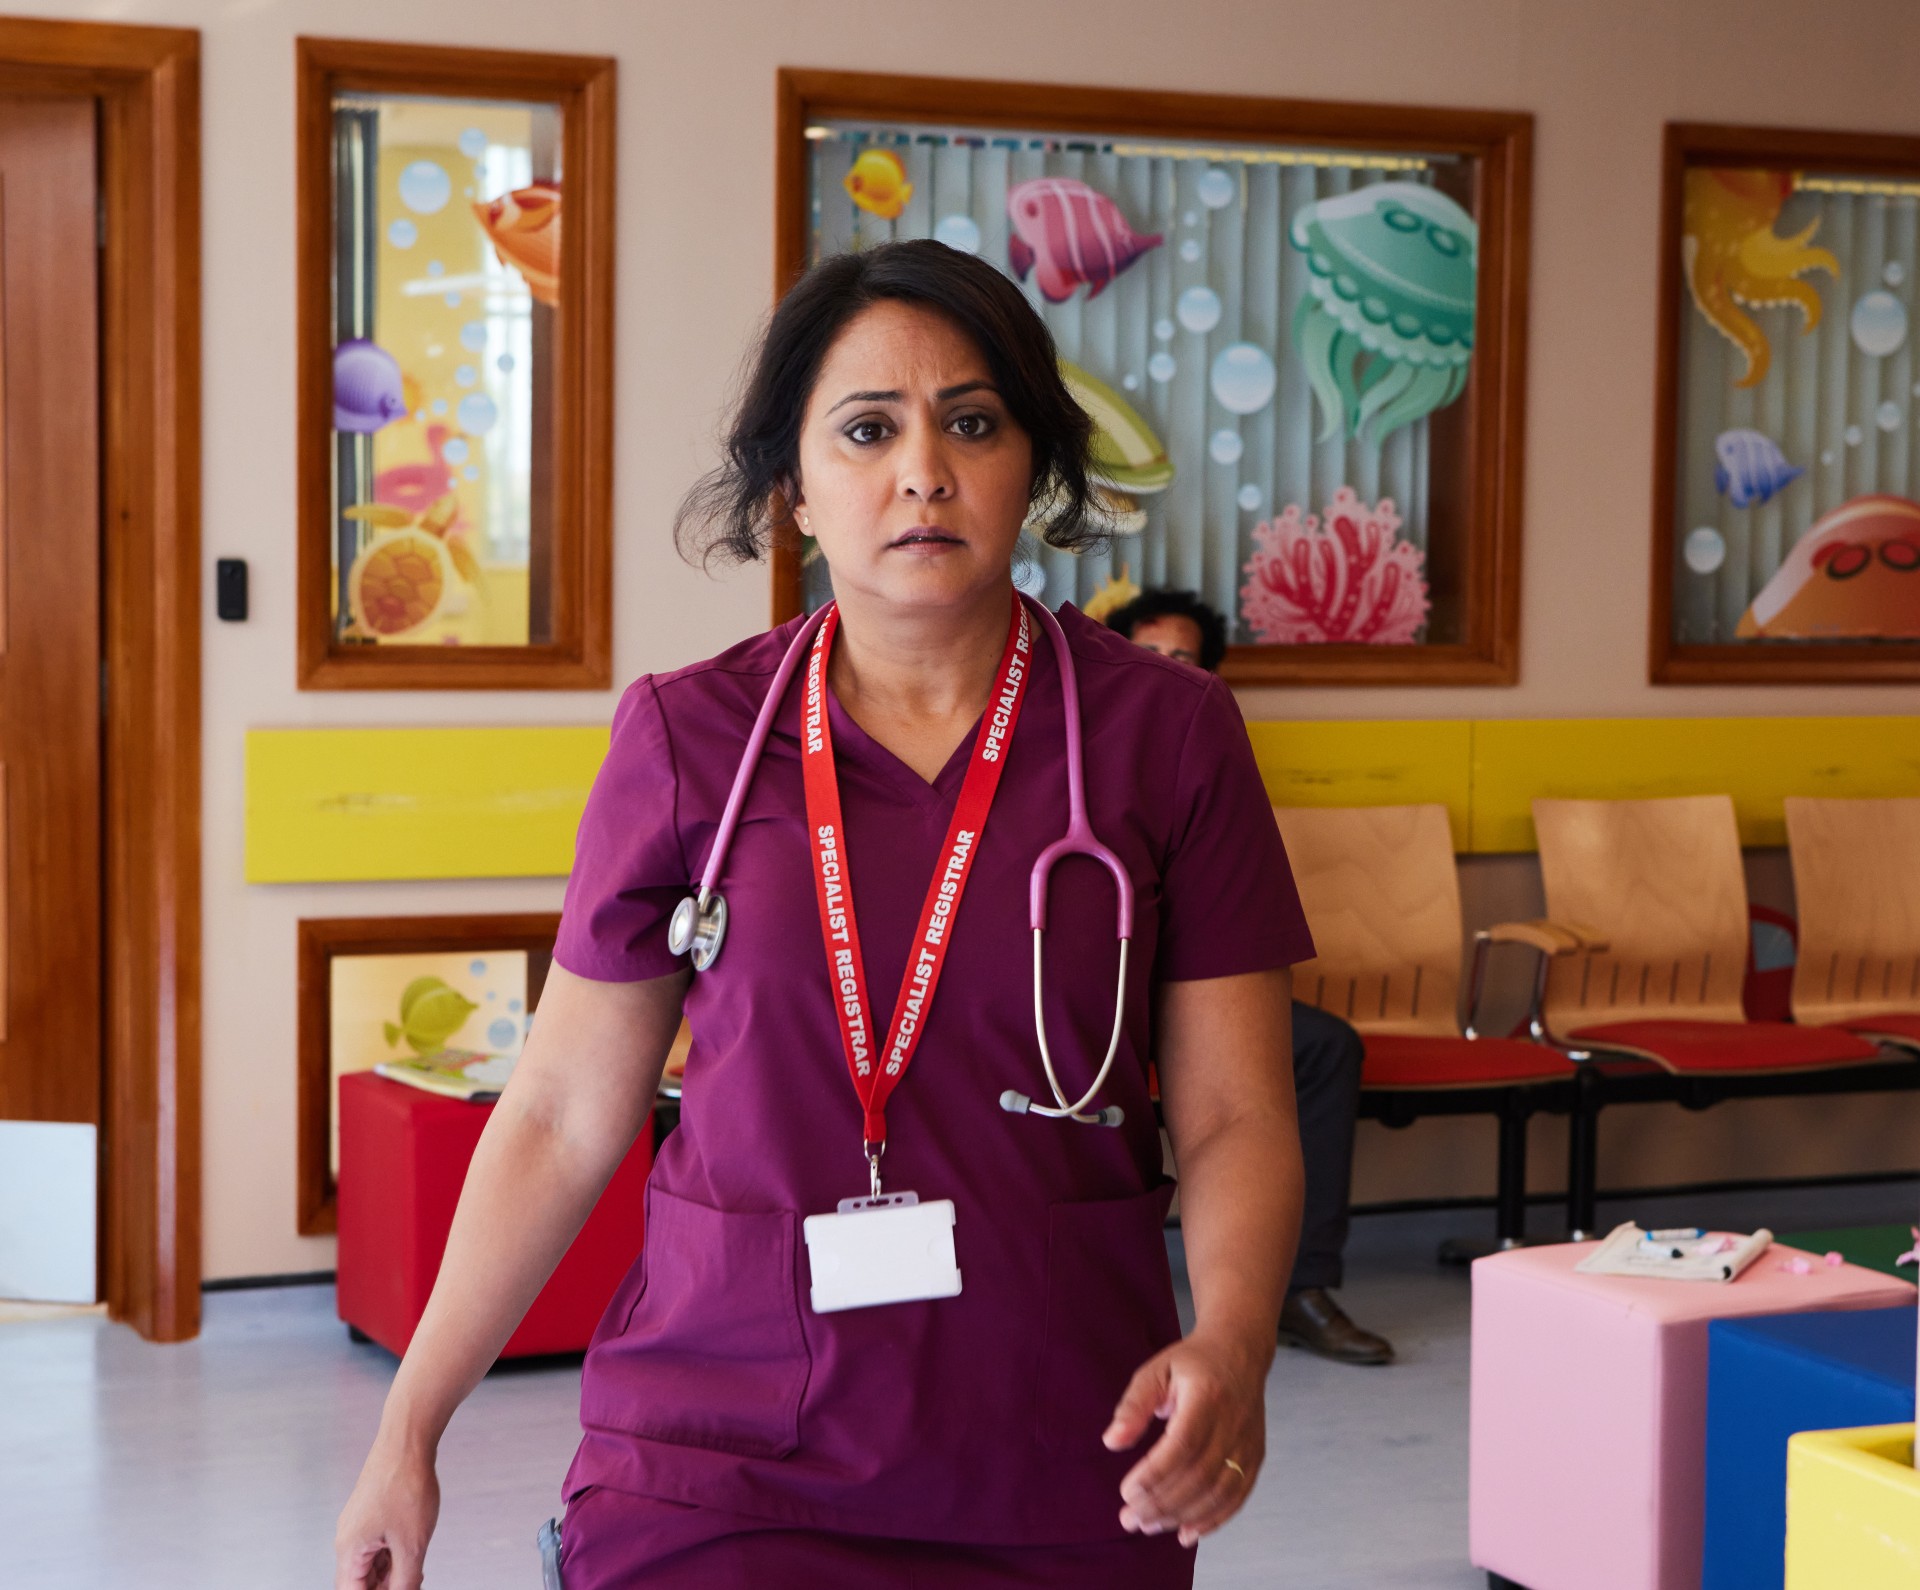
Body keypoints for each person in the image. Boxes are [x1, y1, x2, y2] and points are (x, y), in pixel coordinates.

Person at [334, 240, 1316, 1590]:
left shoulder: (1167, 735)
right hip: (718, 1443)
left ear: (1035, 462)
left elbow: (1236, 1111)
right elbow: (560, 1110)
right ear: (794, 485)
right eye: (867, 429)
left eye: (974, 422)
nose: (924, 470)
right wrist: (408, 1428)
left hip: (1066, 1437)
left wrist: (1239, 1339)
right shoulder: (691, 737)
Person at [1106, 589, 1394, 1367]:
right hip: (1098, 997)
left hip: (1191, 992)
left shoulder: (1207, 748)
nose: (1165, 670)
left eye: (1183, 659)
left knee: (1325, 1046)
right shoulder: (1073, 744)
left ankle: (1302, 1286)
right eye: (1149, 654)